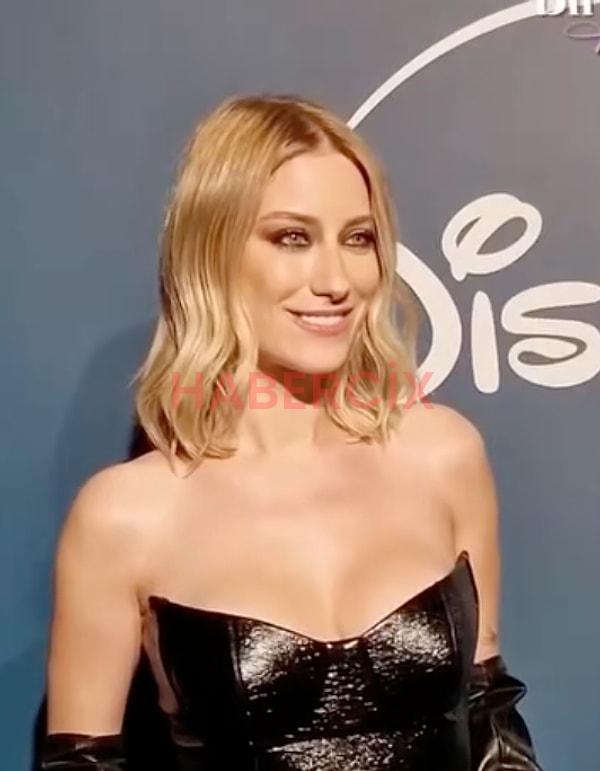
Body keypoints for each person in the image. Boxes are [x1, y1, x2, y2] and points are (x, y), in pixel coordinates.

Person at [40, 93, 543, 770]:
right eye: (292, 238)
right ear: (213, 251)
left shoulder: (443, 456)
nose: (336, 280)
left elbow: (492, 724)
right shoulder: (125, 516)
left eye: (358, 238)